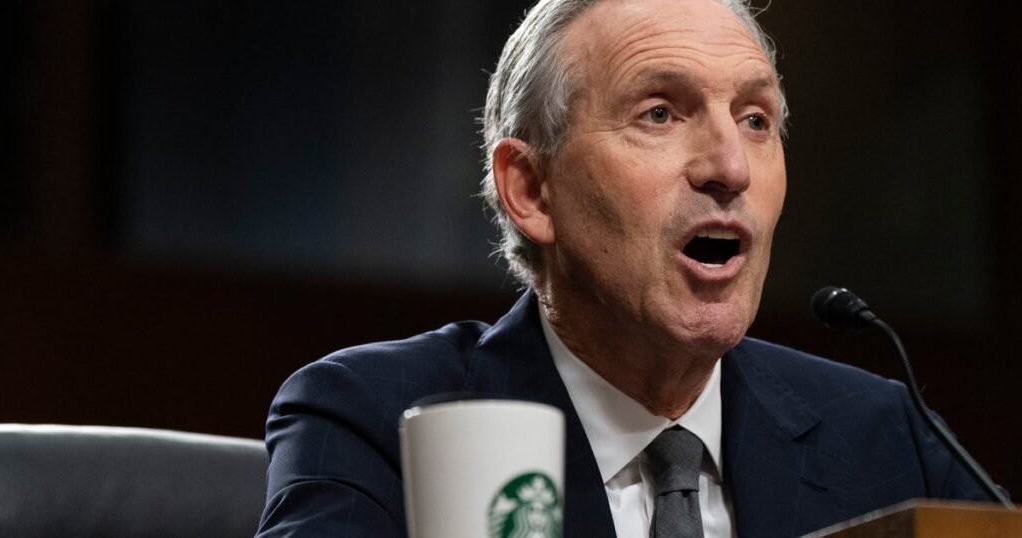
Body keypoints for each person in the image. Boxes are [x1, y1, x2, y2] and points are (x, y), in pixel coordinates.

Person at [255, 0, 993, 536]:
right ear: (531, 189)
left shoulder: (883, 439)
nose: (730, 167)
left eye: (755, 120)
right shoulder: (371, 422)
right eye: (660, 113)